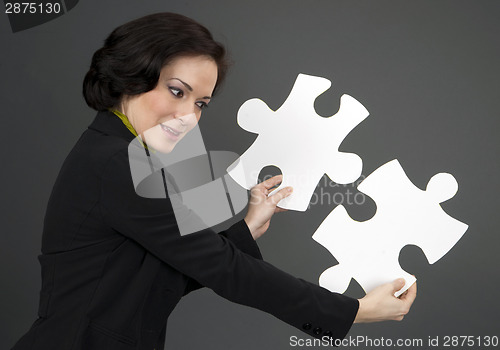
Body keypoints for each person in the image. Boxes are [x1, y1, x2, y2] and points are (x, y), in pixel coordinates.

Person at [10, 12, 417, 350]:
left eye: (200, 103)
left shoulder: (118, 154)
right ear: (132, 75)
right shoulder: (118, 163)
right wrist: (353, 312)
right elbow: (224, 269)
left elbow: (158, 277)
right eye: (176, 91)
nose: (188, 116)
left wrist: (245, 230)